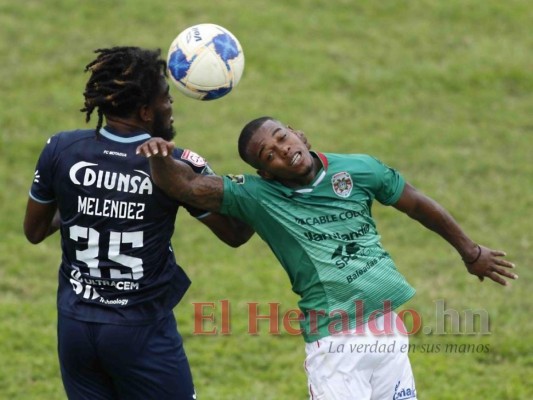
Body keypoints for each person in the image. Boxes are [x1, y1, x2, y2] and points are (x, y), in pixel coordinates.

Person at [136, 116, 518, 400]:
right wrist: (159, 156)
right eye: (270, 154)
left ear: (300, 135)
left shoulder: (358, 169)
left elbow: (416, 203)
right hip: (334, 345)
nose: (283, 149)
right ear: (265, 173)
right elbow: (185, 185)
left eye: (282, 137)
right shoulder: (257, 195)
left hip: (388, 330)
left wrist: (471, 252)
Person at [23, 46, 253, 400]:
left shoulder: (61, 149)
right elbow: (235, 234)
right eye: (166, 99)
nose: (170, 107)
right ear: (146, 111)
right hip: (141, 332)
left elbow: (34, 231)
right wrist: (261, 184)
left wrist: (82, 205)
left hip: (75, 328)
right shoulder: (173, 164)